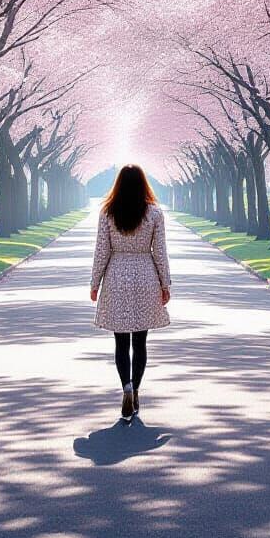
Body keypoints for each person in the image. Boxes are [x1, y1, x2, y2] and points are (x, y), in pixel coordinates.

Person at [90, 164, 171, 419]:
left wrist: (94, 283)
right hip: (145, 276)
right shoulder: (154, 213)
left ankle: (125, 386)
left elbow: (101, 251)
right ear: (143, 183)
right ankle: (136, 390)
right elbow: (160, 252)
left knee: (121, 342)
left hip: (117, 276)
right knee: (140, 342)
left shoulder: (107, 213)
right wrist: (165, 284)